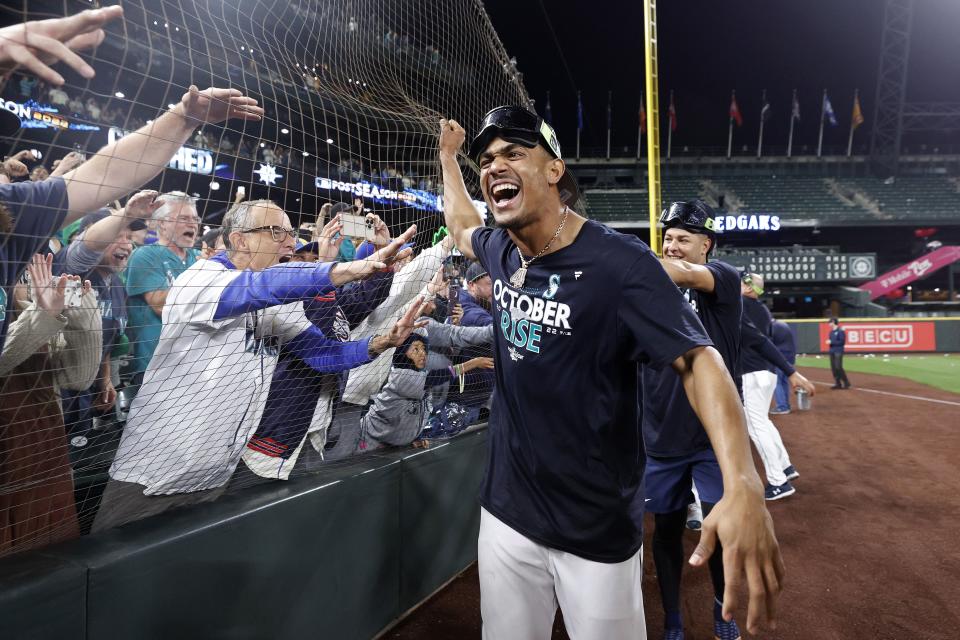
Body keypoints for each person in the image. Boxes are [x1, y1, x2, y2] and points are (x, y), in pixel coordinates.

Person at [439, 108, 783, 639]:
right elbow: (463, 224)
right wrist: (447, 158)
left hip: (595, 527)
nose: (494, 167)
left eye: (514, 153)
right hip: (506, 511)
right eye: (486, 159)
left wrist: (742, 479)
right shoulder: (501, 249)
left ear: (554, 170)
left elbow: (699, 358)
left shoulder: (620, 264)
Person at [92, 200, 419, 532]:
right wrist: (348, 269)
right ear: (240, 240)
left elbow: (322, 354)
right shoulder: (200, 279)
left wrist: (379, 343)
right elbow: (257, 288)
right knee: (113, 576)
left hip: (216, 474)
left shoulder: (273, 298)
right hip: (155, 471)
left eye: (290, 233)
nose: (289, 242)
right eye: (276, 232)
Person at [0, 77, 263, 355]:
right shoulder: (136, 257)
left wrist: (186, 118)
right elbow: (89, 247)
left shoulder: (10, 209)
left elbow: (105, 174)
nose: (126, 243)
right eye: (182, 218)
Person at [641, 200, 744, 640]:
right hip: (660, 436)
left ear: (707, 244)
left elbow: (682, 273)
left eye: (683, 238)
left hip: (712, 437)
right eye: (667, 238)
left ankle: (724, 612)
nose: (673, 246)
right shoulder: (648, 290)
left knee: (721, 530)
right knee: (664, 531)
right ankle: (674, 621)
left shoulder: (722, 279)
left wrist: (619, 262)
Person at [0, 254, 100, 556]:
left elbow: (79, 378)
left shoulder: (30, 311)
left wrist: (82, 315)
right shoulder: (34, 316)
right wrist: (43, 315)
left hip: (45, 464)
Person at [740, 274, 815, 500]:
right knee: (763, 422)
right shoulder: (763, 310)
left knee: (756, 427)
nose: (739, 286)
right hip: (766, 373)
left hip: (751, 373)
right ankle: (785, 466)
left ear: (750, 287)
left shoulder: (740, 304)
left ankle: (778, 482)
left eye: (743, 282)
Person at [125, 191, 201, 386]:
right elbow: (161, 306)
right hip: (156, 367)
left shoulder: (199, 257)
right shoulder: (144, 256)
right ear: (162, 224)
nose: (192, 224)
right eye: (183, 218)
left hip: (196, 364)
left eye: (195, 218)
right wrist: (204, 281)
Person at [770, 320, 797, 414]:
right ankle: (786, 405)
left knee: (777, 382)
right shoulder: (783, 324)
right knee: (784, 381)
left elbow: (769, 345)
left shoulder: (772, 327)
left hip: (780, 358)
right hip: (789, 357)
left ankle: (782, 406)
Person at [827, 317, 851, 389]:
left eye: (830, 322)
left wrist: (831, 342)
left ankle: (846, 382)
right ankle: (838, 383)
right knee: (833, 368)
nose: (829, 324)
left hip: (838, 351)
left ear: (833, 322)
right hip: (832, 351)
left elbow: (842, 342)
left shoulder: (840, 331)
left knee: (838, 367)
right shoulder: (831, 332)